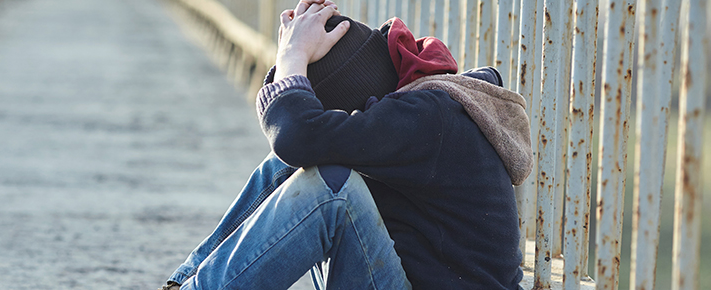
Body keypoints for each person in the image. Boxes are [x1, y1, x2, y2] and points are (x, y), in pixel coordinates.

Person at [160, 1, 532, 289]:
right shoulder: (411, 109)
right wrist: (295, 56)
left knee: (332, 187)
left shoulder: (430, 115)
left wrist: (294, 59)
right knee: (286, 164)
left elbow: (300, 136)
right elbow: (296, 144)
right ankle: (185, 282)